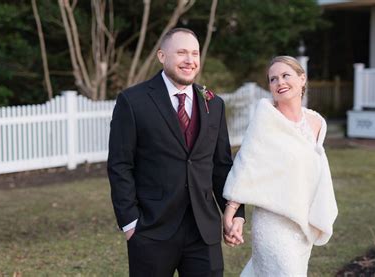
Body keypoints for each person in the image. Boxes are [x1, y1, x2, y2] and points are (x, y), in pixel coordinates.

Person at [107, 28, 245, 277]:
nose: (190, 60)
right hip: (151, 229)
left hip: (204, 231)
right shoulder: (133, 101)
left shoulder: (213, 103)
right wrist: (130, 223)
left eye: (195, 53)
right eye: (181, 52)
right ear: (162, 56)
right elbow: (120, 165)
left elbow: (222, 165)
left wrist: (235, 213)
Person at [223, 56, 338, 276]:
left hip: (302, 223)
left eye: (286, 75)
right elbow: (247, 163)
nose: (279, 82)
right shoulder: (266, 118)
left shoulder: (317, 123)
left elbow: (313, 171)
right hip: (272, 223)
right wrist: (231, 211)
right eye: (273, 79)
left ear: (302, 79)